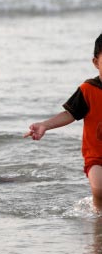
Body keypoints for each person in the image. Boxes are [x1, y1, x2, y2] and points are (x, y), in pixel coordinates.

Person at [24, 33, 102, 210]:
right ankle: (98, 217)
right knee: (99, 189)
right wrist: (45, 125)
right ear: (96, 63)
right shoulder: (88, 90)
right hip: (97, 158)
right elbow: (70, 114)